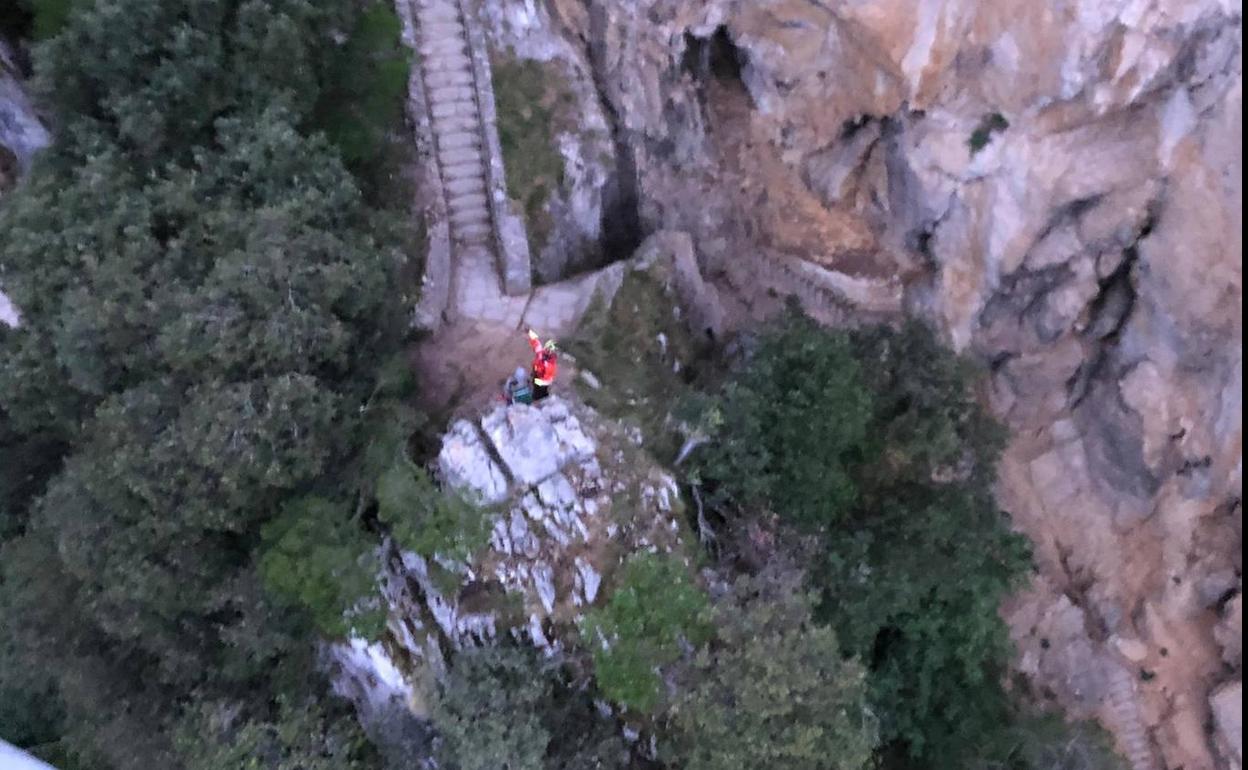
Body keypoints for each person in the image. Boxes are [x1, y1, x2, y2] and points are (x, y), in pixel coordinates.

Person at [527, 329, 558, 401]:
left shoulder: (550, 367)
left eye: (547, 350)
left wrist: (535, 381)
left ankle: (539, 399)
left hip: (542, 382)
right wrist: (529, 332)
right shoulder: (542, 353)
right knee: (535, 387)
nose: (545, 351)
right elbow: (536, 343)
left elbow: (547, 381)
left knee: (539, 393)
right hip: (537, 373)